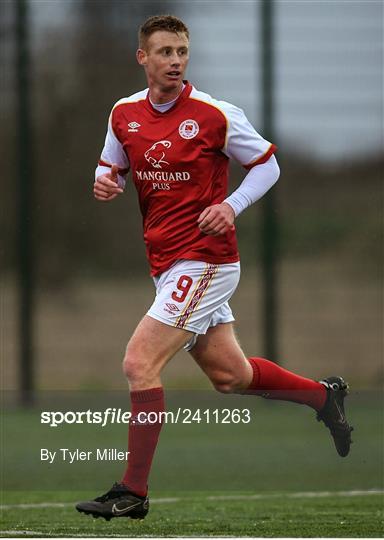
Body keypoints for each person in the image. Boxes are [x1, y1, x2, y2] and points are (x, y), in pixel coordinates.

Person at [76, 14, 353, 522]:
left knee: (139, 362)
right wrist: (104, 182)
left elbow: (267, 164)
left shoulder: (214, 114)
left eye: (181, 51)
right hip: (166, 264)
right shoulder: (123, 114)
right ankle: (323, 398)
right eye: (164, 52)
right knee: (231, 376)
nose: (175, 60)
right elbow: (109, 164)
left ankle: (132, 490)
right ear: (143, 58)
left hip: (207, 258)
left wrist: (233, 205)